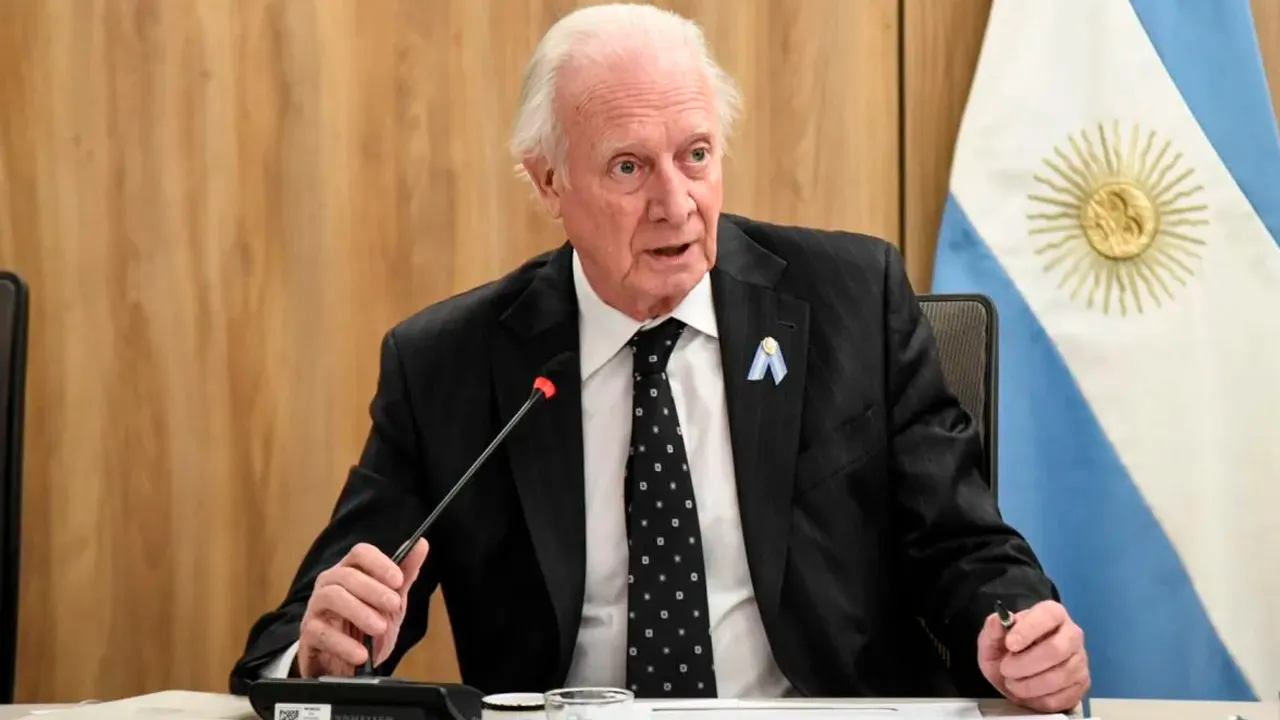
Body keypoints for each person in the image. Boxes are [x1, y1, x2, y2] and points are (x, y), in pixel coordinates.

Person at [230, 2, 1090, 711]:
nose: (676, 205)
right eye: (629, 168)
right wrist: (320, 656)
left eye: (696, 155)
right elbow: (313, 628)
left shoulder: (853, 301)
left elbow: (962, 546)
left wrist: (1014, 627)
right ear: (548, 181)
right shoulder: (446, 366)